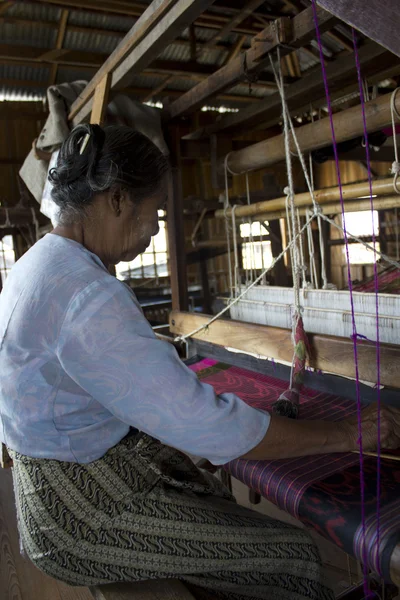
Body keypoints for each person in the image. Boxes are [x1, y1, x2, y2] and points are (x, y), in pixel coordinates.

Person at [0, 124, 399, 600]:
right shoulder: (88, 294)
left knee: (207, 490)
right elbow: (208, 427)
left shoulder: (39, 263)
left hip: (55, 485)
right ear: (117, 200)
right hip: (83, 512)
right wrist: (350, 435)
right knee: (293, 557)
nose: (153, 230)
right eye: (154, 213)